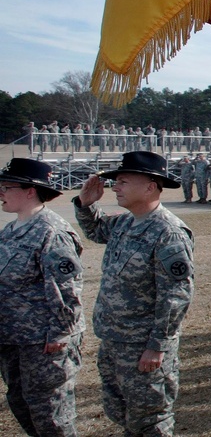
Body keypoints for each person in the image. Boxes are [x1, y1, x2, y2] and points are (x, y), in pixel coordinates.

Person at [74, 151, 195, 437]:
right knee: (121, 411)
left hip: (142, 343)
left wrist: (157, 345)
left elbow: (176, 294)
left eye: (123, 181)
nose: (115, 187)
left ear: (150, 186)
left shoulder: (168, 232)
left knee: (150, 420)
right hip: (115, 338)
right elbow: (95, 230)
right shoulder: (125, 223)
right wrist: (85, 204)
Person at [0, 159, 85, 437]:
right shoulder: (11, 230)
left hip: (44, 342)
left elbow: (67, 288)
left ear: (30, 191)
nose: (0, 192)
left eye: (6, 186)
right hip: (14, 338)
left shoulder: (51, 231)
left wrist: (60, 334)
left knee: (51, 417)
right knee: (21, 404)